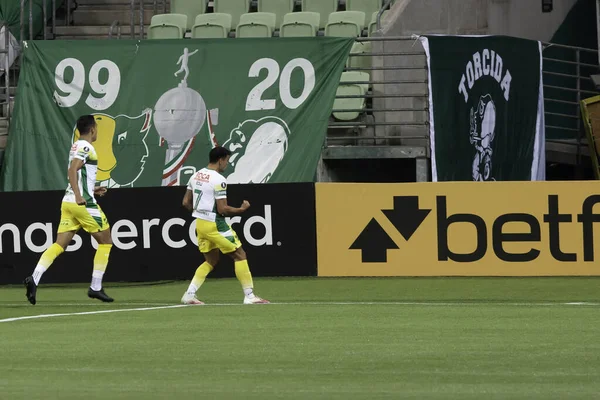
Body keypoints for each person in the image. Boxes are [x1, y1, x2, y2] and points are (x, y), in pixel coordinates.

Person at [24, 115, 114, 305]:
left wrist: (91, 189)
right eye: (96, 128)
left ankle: (34, 277)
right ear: (93, 129)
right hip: (81, 203)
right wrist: (80, 195)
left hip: (68, 202)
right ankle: (95, 287)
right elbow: (73, 170)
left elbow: (79, 173)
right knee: (106, 241)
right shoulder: (86, 147)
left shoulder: (76, 145)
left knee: (59, 245)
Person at [181, 146, 269, 305]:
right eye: (227, 160)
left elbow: (186, 202)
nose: (227, 164)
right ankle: (249, 296)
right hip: (215, 224)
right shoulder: (218, 179)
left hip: (199, 224)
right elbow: (223, 209)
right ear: (220, 160)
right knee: (240, 255)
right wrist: (242, 210)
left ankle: (189, 294)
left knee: (211, 260)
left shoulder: (195, 176)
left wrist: (201, 212)